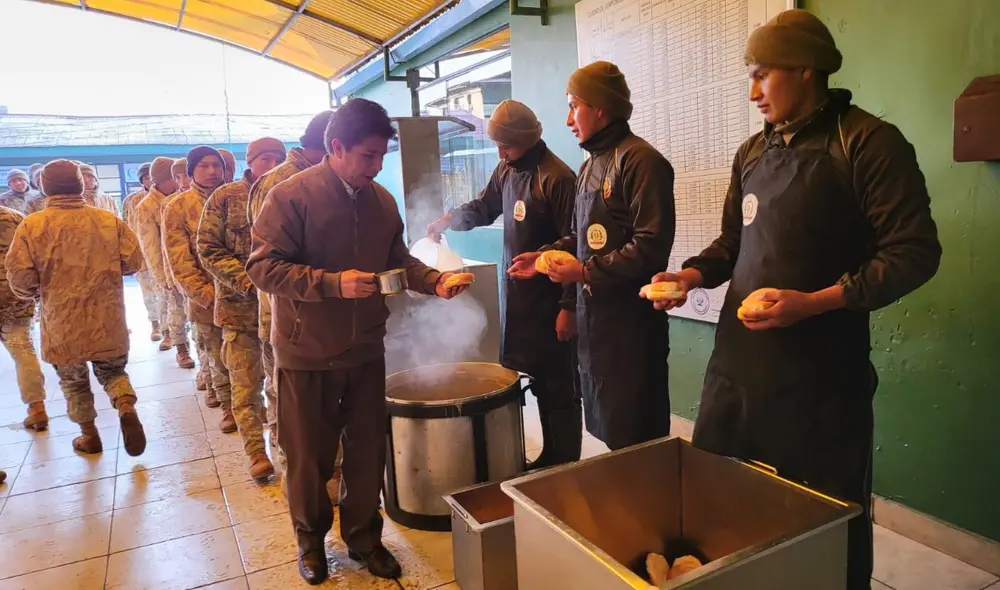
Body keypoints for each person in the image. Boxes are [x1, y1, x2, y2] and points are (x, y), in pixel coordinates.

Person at [645, 10, 941, 590]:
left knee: (826, 520)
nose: (752, 91)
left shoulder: (866, 143)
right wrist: (690, 276)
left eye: (763, 74)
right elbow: (733, 242)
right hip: (737, 370)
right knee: (718, 499)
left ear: (806, 70)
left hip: (821, 382)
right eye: (749, 77)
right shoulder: (752, 152)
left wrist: (815, 302)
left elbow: (914, 253)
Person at [247, 98, 471, 584]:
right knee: (310, 458)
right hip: (306, 353)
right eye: (368, 155)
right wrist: (332, 283)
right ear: (335, 147)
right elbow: (262, 268)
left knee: (368, 449)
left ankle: (366, 540)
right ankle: (310, 544)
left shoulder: (381, 202)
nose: (377, 165)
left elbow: (396, 261)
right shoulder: (291, 197)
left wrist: (434, 280)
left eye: (382, 155)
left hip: (366, 348)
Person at [509, 61, 676, 451]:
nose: (568, 119)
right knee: (608, 433)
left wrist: (584, 272)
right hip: (594, 328)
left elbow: (650, 246)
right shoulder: (589, 167)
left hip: (630, 331)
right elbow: (580, 239)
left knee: (638, 438)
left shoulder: (641, 161)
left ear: (600, 107)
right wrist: (545, 256)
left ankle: (649, 509)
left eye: (574, 106)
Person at [427, 100, 581, 468]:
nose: (500, 152)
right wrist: (449, 219)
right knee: (524, 379)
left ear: (525, 139)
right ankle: (541, 455)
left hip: (551, 302)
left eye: (506, 145)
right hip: (519, 300)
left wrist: (568, 308)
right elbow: (484, 206)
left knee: (557, 388)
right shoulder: (507, 170)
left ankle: (563, 461)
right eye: (497, 145)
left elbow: (577, 243)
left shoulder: (558, 178)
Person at [5, 160, 147, 456]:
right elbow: (133, 262)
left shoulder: (31, 226)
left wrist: (39, 292)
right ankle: (124, 404)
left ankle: (89, 436)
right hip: (107, 316)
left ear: (44, 187)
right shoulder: (108, 220)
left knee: (73, 381)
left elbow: (20, 279)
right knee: (113, 372)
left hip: (60, 321)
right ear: (81, 185)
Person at [199, 137, 286, 480]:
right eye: (265, 158)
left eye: (278, 158)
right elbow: (208, 248)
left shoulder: (287, 194)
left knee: (281, 386)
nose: (272, 164)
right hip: (241, 310)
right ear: (250, 162)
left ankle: (283, 445)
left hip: (281, 313)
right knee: (245, 385)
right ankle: (255, 452)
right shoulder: (225, 197)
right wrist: (251, 282)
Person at [247, 111, 333, 451]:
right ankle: (296, 479)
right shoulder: (281, 185)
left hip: (323, 312)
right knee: (288, 399)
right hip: (287, 316)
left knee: (322, 401)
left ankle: (328, 474)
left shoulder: (324, 177)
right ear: (332, 146)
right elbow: (268, 261)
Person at [164, 147, 232, 421]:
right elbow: (179, 261)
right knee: (216, 354)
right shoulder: (177, 207)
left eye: (217, 165)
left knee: (249, 358)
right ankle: (228, 406)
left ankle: (250, 405)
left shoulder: (236, 197)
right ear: (191, 171)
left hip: (244, 294)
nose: (213, 171)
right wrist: (207, 295)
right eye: (204, 166)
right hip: (208, 297)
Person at [136, 157, 196, 369]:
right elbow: (150, 245)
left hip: (193, 265)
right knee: (175, 310)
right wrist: (162, 276)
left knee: (196, 310)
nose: (182, 180)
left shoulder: (186, 198)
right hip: (169, 268)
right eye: (176, 176)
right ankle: (181, 348)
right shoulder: (147, 206)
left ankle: (201, 350)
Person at [0, 204, 48, 431]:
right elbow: (37, 257)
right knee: (22, 349)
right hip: (15, 294)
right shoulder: (17, 218)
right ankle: (37, 408)